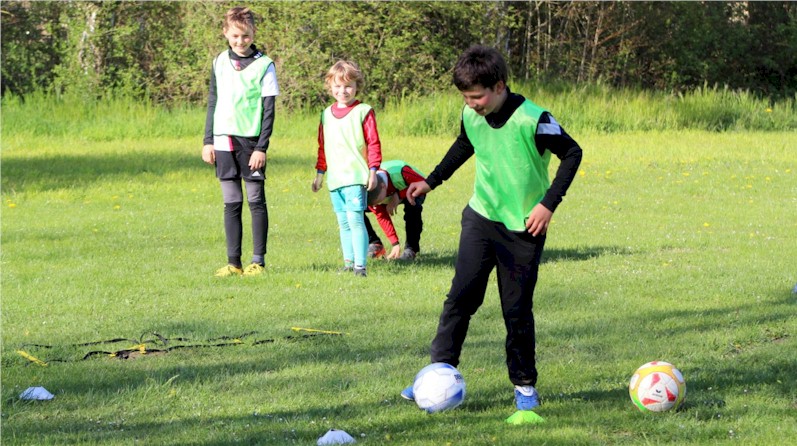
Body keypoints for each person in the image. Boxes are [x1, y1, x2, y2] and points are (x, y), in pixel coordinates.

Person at [400, 45, 582, 423]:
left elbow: (572, 153)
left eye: (477, 96)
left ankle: (524, 386)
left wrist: (548, 204)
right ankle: (438, 374)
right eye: (466, 98)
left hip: (523, 228)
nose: (472, 104)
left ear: (499, 86)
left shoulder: (534, 118)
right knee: (460, 298)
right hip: (481, 217)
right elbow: (466, 143)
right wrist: (430, 181)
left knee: (515, 309)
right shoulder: (471, 113)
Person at [201, 7, 279, 277]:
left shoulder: (265, 65)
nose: (240, 41)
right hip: (223, 141)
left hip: (250, 143)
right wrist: (208, 140)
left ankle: (258, 261)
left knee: (256, 200)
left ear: (253, 33)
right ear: (226, 33)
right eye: (235, 36)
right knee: (231, 202)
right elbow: (213, 101)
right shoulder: (219, 61)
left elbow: (269, 111)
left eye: (245, 36)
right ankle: (233, 263)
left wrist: (261, 147)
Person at [311, 60, 382, 277]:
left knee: (355, 219)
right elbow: (323, 147)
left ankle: (361, 267)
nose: (343, 91)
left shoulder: (363, 111)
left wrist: (373, 171)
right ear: (330, 86)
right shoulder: (325, 114)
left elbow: (373, 143)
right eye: (338, 86)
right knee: (343, 223)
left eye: (348, 86)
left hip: (355, 177)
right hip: (335, 180)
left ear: (357, 86)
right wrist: (320, 174)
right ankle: (348, 263)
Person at [365, 160, 426, 261]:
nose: (377, 205)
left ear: (383, 186)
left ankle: (411, 249)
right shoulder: (371, 188)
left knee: (413, 206)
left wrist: (398, 196)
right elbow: (381, 215)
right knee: (356, 209)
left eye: (379, 202)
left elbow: (423, 183)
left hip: (413, 187)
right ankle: (375, 244)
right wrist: (395, 243)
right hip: (390, 192)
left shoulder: (401, 173)